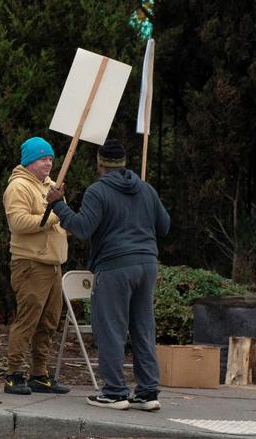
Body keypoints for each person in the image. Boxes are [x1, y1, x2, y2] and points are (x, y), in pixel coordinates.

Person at [47, 138, 170, 411]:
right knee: (142, 328)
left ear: (100, 164)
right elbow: (164, 226)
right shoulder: (146, 189)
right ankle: (148, 392)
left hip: (115, 265)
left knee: (111, 329)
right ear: (124, 163)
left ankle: (115, 392)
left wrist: (58, 204)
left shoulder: (98, 191)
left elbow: (82, 228)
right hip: (147, 264)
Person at [2, 136, 71, 395]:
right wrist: (55, 215)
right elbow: (18, 223)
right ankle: (13, 373)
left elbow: (61, 220)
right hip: (31, 264)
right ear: (30, 161)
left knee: (49, 322)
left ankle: (39, 374)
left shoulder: (52, 186)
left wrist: (68, 220)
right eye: (43, 158)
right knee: (27, 320)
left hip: (54, 264)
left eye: (51, 158)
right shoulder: (18, 187)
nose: (49, 163)